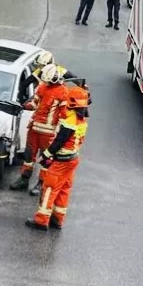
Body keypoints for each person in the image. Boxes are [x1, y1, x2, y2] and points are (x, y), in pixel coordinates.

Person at [25, 83, 90, 231]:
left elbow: (59, 141)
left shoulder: (70, 122)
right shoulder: (81, 117)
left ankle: (41, 221)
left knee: (49, 188)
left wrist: (46, 155)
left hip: (61, 161)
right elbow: (85, 103)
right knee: (64, 188)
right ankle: (57, 219)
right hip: (73, 159)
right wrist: (85, 91)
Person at [10, 63, 71, 191]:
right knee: (28, 155)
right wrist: (24, 106)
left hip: (48, 133)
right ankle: (24, 179)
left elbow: (64, 114)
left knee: (46, 158)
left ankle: (41, 183)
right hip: (34, 129)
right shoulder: (42, 87)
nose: (46, 83)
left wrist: (59, 132)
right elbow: (35, 103)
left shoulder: (63, 92)